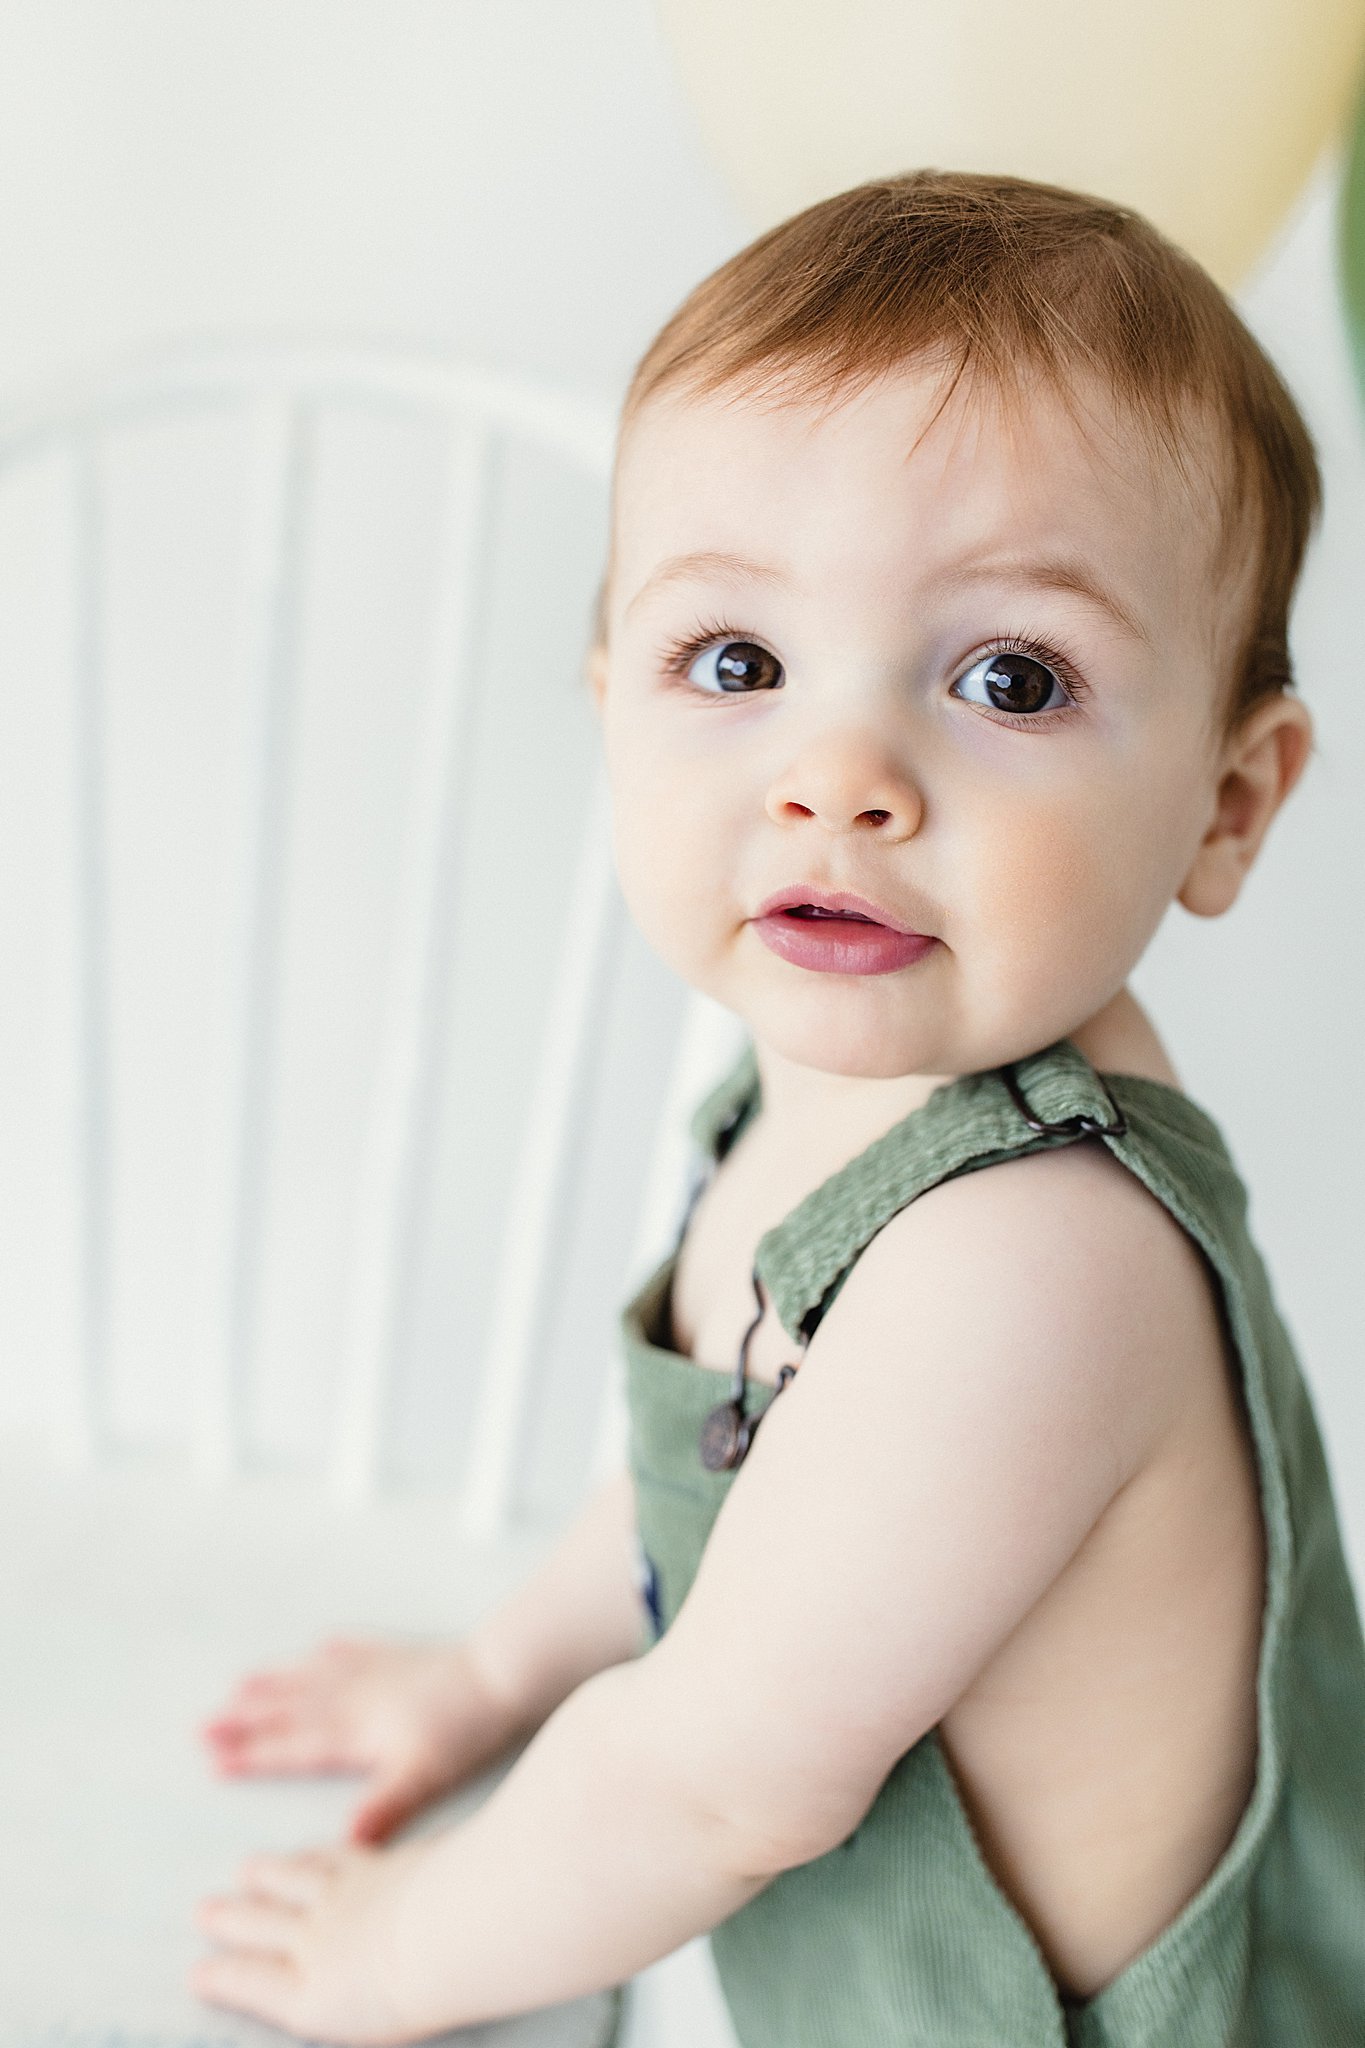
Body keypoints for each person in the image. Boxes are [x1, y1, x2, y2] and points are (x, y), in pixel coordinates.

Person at [192, 171, 1365, 2045]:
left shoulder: (1035, 1263)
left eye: (1008, 677)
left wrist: (395, 1951)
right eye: (733, 663)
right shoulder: (835, 1086)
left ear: (1227, 803)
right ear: (610, 706)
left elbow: (713, 1781)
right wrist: (493, 1676)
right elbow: (724, 1489)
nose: (838, 778)